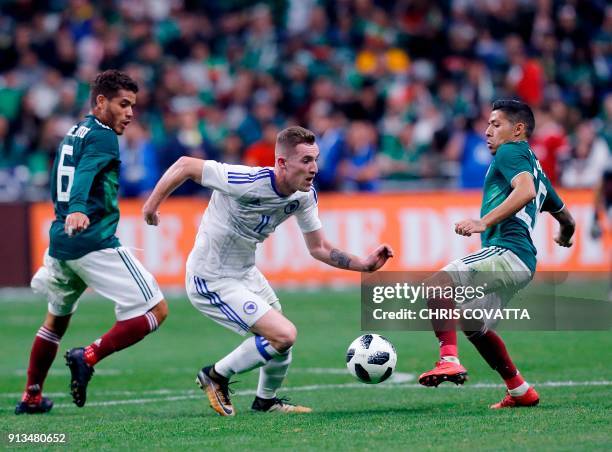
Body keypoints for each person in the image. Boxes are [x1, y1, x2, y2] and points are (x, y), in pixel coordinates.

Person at [142, 126, 393, 416]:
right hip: (210, 278)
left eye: (315, 159)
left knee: (280, 341)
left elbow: (320, 247)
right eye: (306, 161)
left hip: (245, 274)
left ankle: (266, 401)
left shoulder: (303, 196)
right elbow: (185, 165)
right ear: (282, 163)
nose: (314, 168)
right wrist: (151, 206)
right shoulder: (245, 180)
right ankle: (215, 375)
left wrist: (363, 264)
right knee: (284, 335)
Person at [15, 70, 168, 415]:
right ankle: (88, 356)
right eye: (123, 104)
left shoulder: (75, 130)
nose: (130, 113)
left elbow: (76, 170)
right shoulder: (103, 136)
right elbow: (84, 174)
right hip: (92, 240)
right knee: (157, 310)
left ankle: (32, 396)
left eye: (133, 106)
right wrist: (79, 208)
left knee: (55, 320)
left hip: (62, 244)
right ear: (101, 102)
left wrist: (70, 212)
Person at [418, 100, 575, 408]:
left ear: (518, 130)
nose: (487, 131)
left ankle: (448, 359)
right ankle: (519, 390)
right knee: (473, 323)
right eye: (487, 124)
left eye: (496, 124)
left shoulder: (511, 152)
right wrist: (564, 236)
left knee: (436, 286)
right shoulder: (536, 167)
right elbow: (567, 219)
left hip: (507, 251)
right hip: (523, 263)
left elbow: (525, 191)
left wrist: (483, 222)